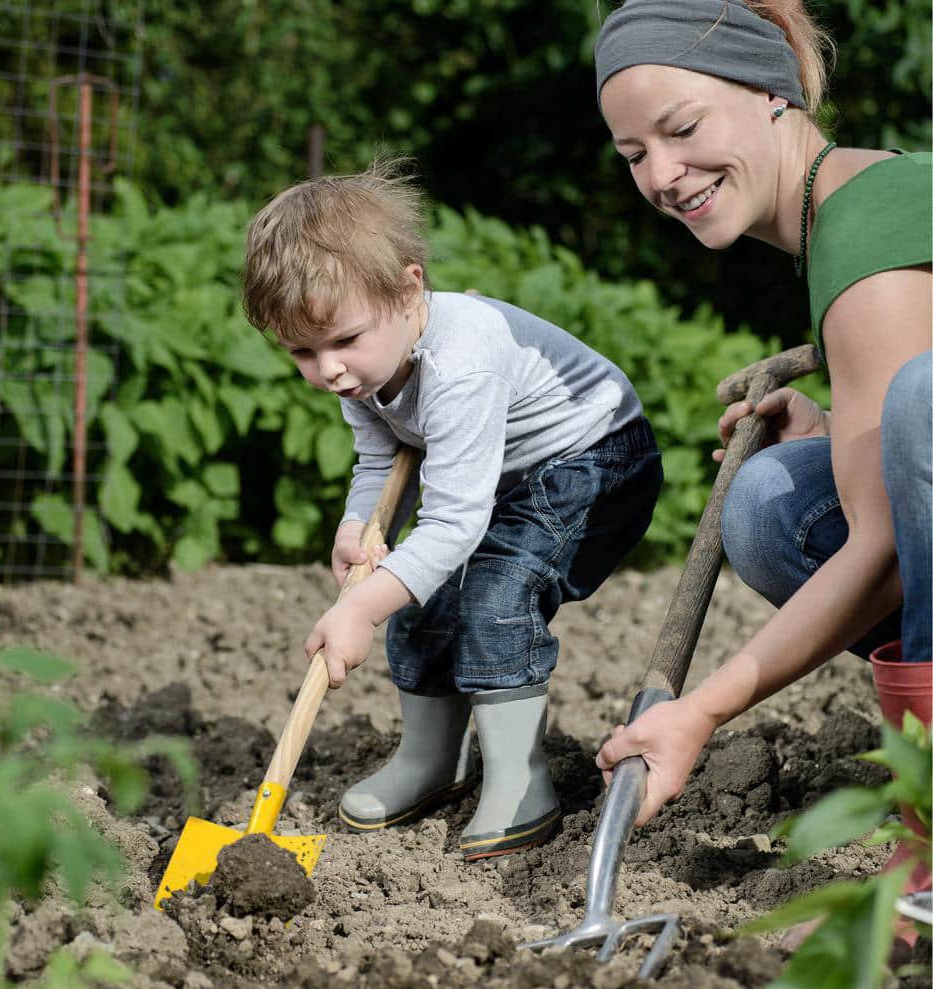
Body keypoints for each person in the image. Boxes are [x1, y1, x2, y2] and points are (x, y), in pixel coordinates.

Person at [591, 0, 932, 906]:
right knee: (774, 504)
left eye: (683, 128)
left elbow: (884, 543)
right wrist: (838, 428)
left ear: (772, 88)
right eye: (634, 156)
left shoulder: (867, 232)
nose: (663, 174)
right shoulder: (847, 209)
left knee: (923, 401)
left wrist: (695, 713)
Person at [242, 160, 663, 860]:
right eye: (302, 354)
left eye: (344, 341)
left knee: (495, 592)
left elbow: (455, 524)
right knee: (420, 592)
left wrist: (357, 610)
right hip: (500, 471)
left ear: (410, 291)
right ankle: (431, 759)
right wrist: (359, 527)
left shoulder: (461, 363)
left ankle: (519, 777)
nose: (329, 372)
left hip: (594, 459)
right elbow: (382, 460)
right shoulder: (369, 369)